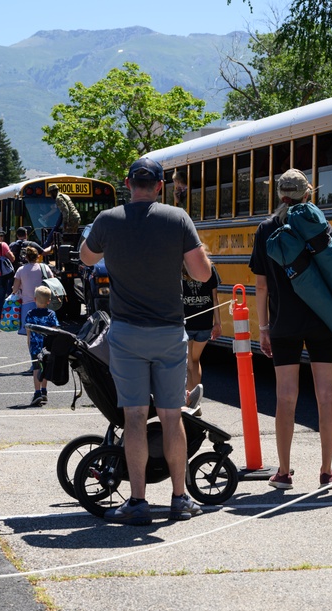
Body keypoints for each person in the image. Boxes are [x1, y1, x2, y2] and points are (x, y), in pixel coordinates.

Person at [81, 156, 212, 525]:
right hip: (169, 332)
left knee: (135, 418)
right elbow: (201, 275)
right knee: (172, 418)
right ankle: (178, 498)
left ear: (128, 184)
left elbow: (87, 257)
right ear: (159, 186)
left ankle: (137, 502)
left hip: (125, 333)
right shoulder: (178, 218)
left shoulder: (108, 221)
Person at [249, 168, 332, 491]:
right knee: (327, 394)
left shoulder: (266, 229)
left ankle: (283, 472)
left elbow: (261, 287)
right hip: (323, 321)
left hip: (284, 323)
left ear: (279, 196)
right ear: (308, 195)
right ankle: (326, 471)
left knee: (285, 396)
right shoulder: (319, 224)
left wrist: (263, 328)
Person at [182, 251, 222, 414]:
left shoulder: (180, 269)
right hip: (205, 322)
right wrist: (217, 323)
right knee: (196, 360)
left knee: (188, 364)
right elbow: (215, 297)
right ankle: (196, 403)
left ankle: (192, 403)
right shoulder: (209, 269)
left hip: (187, 321)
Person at [12, 245, 54, 359]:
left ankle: (34, 361)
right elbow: (52, 282)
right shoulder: (44, 268)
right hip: (44, 302)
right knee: (45, 332)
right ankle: (45, 359)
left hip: (27, 305)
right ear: (37, 256)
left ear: (26, 257)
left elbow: (15, 289)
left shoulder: (21, 270)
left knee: (31, 335)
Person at [25, 285, 60, 406]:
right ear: (49, 301)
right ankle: (44, 390)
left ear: (35, 299)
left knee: (36, 369)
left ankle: (37, 392)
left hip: (35, 345)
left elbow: (28, 331)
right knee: (45, 368)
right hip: (47, 346)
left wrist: (28, 343)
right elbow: (55, 330)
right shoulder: (51, 314)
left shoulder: (30, 314)